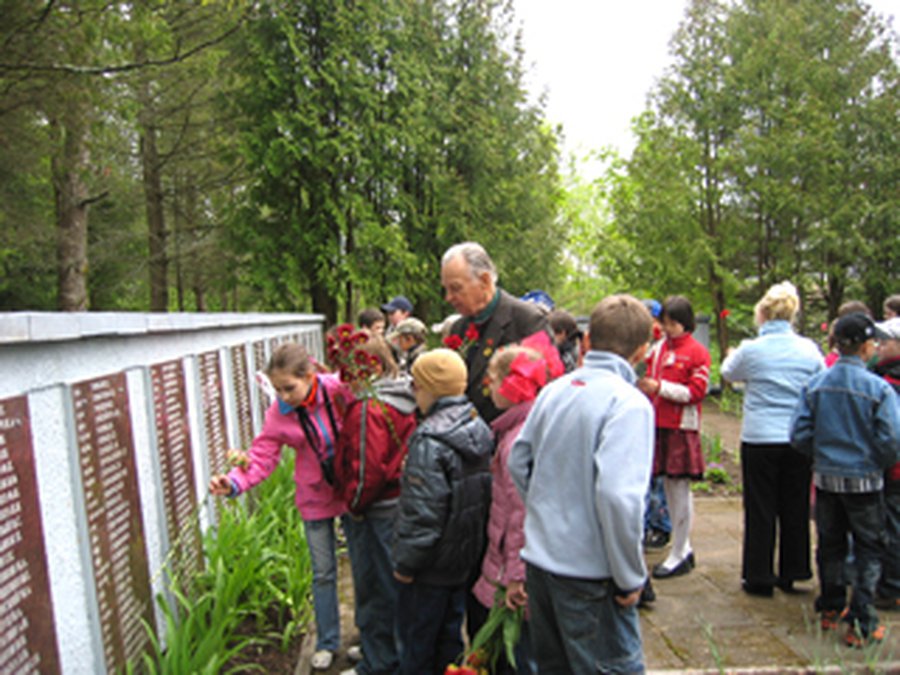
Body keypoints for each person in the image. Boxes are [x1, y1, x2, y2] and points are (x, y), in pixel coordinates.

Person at [508, 294, 654, 674]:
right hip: (592, 575)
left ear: (587, 340)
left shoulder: (554, 391)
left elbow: (518, 461)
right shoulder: (629, 403)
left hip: (541, 564)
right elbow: (618, 497)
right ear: (643, 350)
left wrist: (546, 510)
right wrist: (629, 576)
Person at [209, 343, 351, 671]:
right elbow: (262, 456)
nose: (284, 396)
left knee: (362, 567)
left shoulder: (337, 390)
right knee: (324, 572)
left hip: (350, 491)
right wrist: (233, 482)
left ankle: (370, 639)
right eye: (277, 390)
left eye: (290, 388)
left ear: (309, 376)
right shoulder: (279, 414)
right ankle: (327, 641)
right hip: (315, 497)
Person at [790, 313, 900, 647]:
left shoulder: (816, 385)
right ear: (867, 347)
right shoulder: (878, 389)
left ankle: (831, 606)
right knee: (868, 549)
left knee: (830, 544)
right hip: (865, 483)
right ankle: (862, 620)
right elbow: (892, 439)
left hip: (826, 480)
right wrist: (874, 462)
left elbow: (798, 433)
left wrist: (821, 455)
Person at [720, 281, 825, 596]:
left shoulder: (752, 350)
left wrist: (732, 353)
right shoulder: (808, 349)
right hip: (796, 436)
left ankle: (759, 574)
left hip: (761, 435)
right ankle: (793, 569)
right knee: (794, 505)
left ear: (762, 313)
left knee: (761, 506)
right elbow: (819, 380)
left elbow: (728, 372)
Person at [392, 349, 493, 674]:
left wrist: (406, 563)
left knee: (417, 640)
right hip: (462, 560)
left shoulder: (429, 439)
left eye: (416, 386)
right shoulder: (477, 424)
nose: (413, 393)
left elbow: (423, 514)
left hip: (430, 566)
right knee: (450, 636)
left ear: (429, 389)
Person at [471, 333, 563, 674]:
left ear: (514, 386)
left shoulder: (517, 443)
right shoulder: (528, 427)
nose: (487, 388)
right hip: (516, 567)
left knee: (520, 657)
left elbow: (521, 514)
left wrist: (515, 577)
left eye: (492, 380)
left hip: (513, 576)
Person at [333, 334, 417, 675]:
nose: (345, 376)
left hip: (376, 509)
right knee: (388, 585)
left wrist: (353, 503)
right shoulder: (400, 396)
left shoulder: (370, 408)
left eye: (349, 368)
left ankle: (379, 662)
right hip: (396, 503)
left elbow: (369, 467)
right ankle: (379, 648)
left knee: (375, 585)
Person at [638, 295, 710, 579]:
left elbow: (696, 392)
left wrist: (660, 387)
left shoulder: (697, 352)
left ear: (684, 323)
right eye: (664, 323)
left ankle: (680, 550)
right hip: (658, 424)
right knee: (668, 488)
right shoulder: (658, 349)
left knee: (679, 490)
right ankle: (683, 547)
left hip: (680, 427)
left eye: (672, 324)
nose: (667, 329)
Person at [440, 242, 548, 422]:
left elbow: (545, 390)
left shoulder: (526, 320)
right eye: (446, 289)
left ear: (484, 281)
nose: (448, 298)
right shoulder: (458, 328)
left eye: (456, 288)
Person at [872, 317, 900, 611]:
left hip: (892, 468)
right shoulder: (882, 376)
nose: (879, 345)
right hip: (890, 465)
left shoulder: (889, 383)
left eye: (886, 341)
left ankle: (891, 587)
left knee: (891, 528)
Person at [547, 308, 582, 373]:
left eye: (551, 333)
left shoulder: (566, 356)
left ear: (562, 333)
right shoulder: (579, 349)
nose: (549, 337)